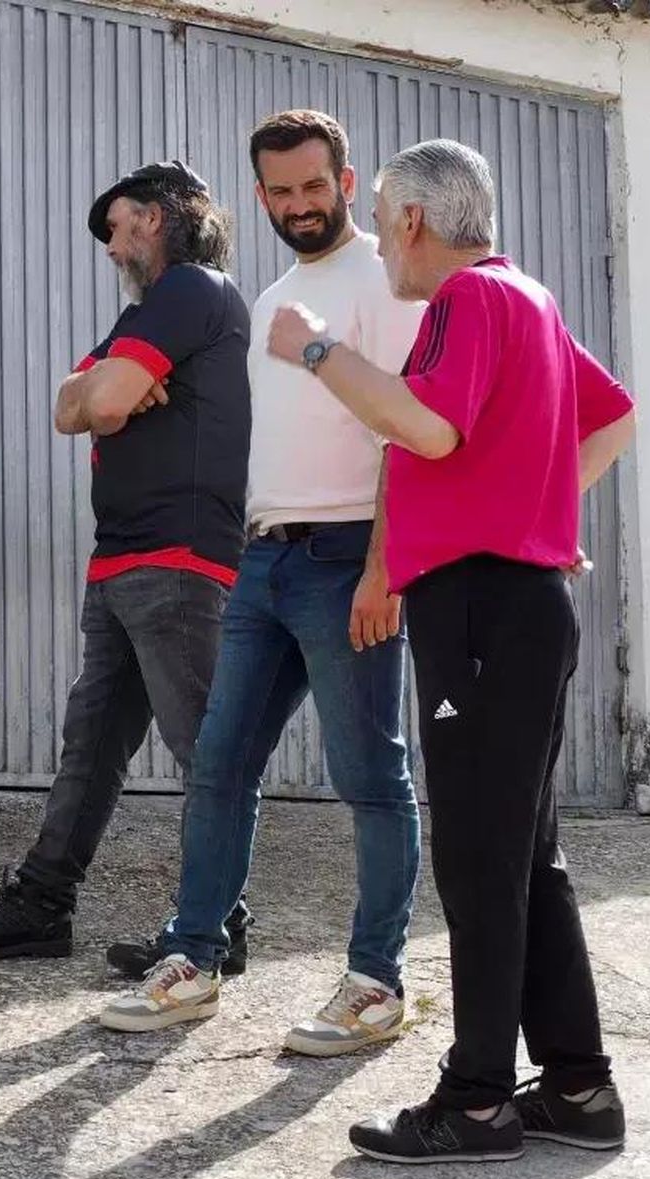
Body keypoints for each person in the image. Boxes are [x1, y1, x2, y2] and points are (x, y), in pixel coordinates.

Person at [265, 139, 636, 1163]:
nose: (379, 237)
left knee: (479, 859)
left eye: (382, 215)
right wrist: (539, 512)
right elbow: (614, 420)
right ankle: (578, 1087)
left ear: (413, 219)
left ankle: (475, 1103)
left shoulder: (467, 299)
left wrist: (314, 349)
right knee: (524, 855)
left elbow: (426, 429)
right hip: (516, 605)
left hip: (480, 608)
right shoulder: (530, 298)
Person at [99, 111, 424, 1056]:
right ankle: (192, 959)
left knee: (370, 776)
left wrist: (384, 568)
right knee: (219, 763)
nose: (299, 205)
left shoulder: (386, 280)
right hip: (265, 557)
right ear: (260, 197)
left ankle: (376, 982)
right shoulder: (273, 295)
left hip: (349, 555)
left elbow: (406, 429)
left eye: (314, 187)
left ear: (348, 183)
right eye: (281, 192)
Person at [0, 161, 253, 962]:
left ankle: (215, 929)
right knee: (93, 747)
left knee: (206, 754)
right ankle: (41, 905)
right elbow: (68, 405)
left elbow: (100, 403)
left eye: (115, 227)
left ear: (154, 217)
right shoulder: (147, 313)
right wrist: (101, 388)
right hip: (123, 561)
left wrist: (104, 391)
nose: (110, 248)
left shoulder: (192, 290)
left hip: (177, 561)